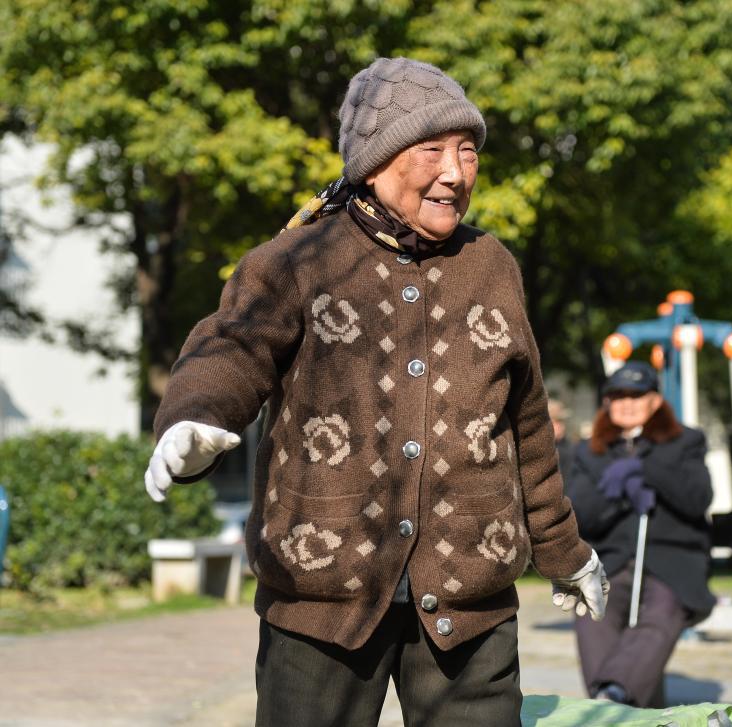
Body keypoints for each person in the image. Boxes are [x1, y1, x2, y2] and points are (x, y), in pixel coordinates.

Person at [143, 57, 608, 727]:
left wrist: (565, 551)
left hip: (471, 603)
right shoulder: (296, 260)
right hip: (319, 598)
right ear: (373, 161)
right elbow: (230, 348)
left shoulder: (492, 266)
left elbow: (527, 424)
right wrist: (193, 416)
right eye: (433, 150)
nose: (455, 171)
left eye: (468, 151)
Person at [566, 361, 715, 708]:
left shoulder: (686, 442)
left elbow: (698, 498)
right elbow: (579, 514)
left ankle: (613, 694)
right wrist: (618, 490)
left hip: (670, 561)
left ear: (655, 401)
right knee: (592, 613)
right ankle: (612, 701)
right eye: (617, 396)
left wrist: (647, 470)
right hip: (611, 562)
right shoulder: (590, 452)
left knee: (661, 613)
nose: (627, 403)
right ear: (606, 403)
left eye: (637, 395)